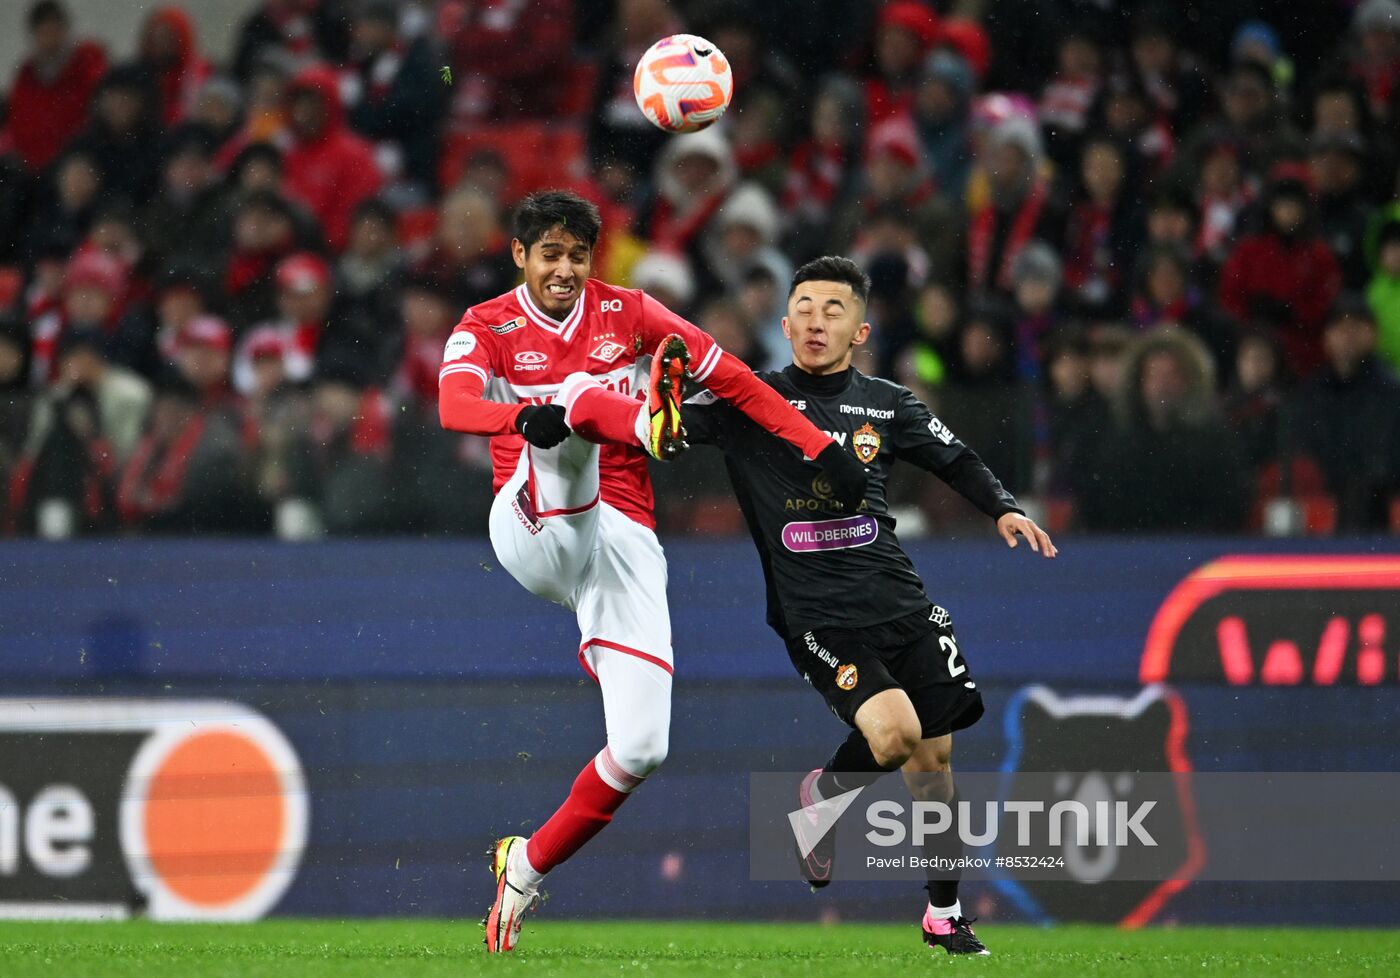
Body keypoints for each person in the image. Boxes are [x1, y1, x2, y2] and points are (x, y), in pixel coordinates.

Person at [436, 191, 864, 953]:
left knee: (641, 747)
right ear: (520, 257)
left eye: (577, 255)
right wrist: (519, 418)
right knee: (571, 400)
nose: (564, 269)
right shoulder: (487, 324)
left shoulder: (631, 313)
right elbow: (453, 404)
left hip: (622, 536)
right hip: (529, 519)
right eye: (549, 254)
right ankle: (645, 424)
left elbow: (734, 379)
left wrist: (818, 445)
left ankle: (524, 867)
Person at [679, 256, 1056, 956]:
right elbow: (663, 428)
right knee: (895, 734)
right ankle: (822, 798)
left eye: (834, 309)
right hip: (818, 616)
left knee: (933, 763)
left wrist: (1002, 508)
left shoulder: (887, 404)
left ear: (860, 330)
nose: (817, 320)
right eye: (805, 307)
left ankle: (942, 914)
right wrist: (626, 414)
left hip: (901, 603)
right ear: (783, 322)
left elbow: (955, 458)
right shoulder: (748, 400)